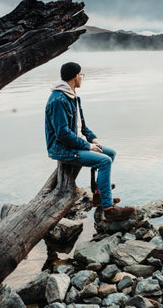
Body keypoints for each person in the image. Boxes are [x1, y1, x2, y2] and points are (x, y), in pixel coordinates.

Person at [45, 62, 135, 222]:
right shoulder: (58, 100)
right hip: (63, 149)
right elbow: (62, 134)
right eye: (81, 75)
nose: (82, 78)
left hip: (76, 143)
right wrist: (88, 146)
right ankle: (109, 210)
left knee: (110, 153)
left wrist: (93, 139)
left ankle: (99, 197)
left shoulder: (72, 96)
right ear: (75, 77)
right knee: (105, 161)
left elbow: (82, 126)